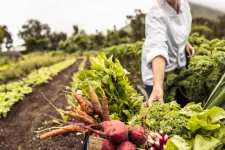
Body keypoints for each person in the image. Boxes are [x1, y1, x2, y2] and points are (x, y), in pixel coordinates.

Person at [141, 0, 195, 106]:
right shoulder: (156, 13)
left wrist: (185, 42)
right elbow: (158, 47)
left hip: (177, 69)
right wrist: (157, 86)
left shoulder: (184, 5)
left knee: (182, 104)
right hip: (157, 75)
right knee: (164, 114)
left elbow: (179, 29)